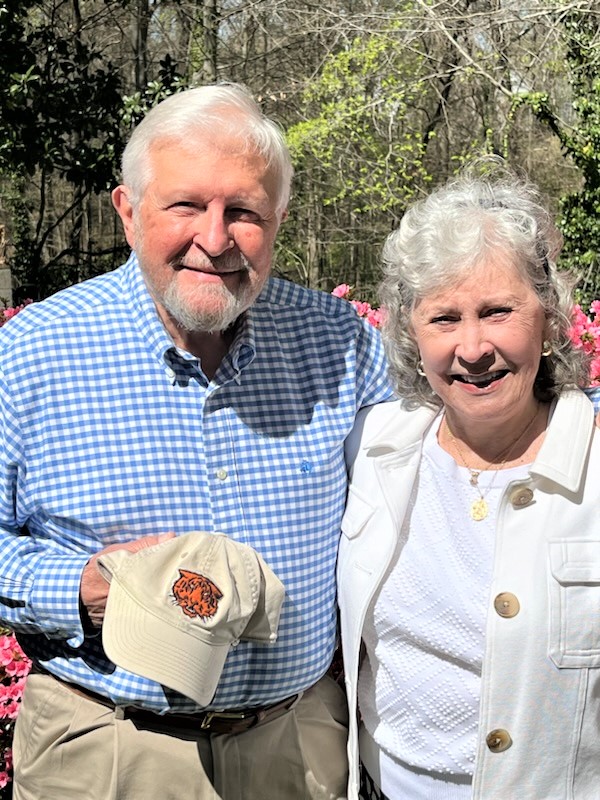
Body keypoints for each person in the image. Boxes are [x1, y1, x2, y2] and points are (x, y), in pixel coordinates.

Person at [0, 83, 394, 800]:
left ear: (277, 219)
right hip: (109, 750)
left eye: (243, 211)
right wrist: (80, 587)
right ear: (127, 210)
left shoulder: (341, 344)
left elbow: (433, 485)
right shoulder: (32, 354)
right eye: (185, 205)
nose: (214, 240)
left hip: (296, 744)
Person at [337, 159, 600, 800]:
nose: (474, 348)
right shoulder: (372, 449)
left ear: (546, 313)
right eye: (444, 318)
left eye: (498, 311)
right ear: (410, 334)